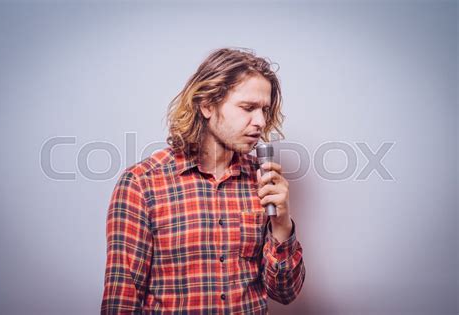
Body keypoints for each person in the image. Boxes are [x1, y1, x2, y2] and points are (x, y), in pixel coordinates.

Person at [101, 48, 306, 314]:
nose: (260, 121)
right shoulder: (142, 184)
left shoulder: (263, 182)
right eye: (248, 108)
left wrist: (281, 224)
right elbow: (122, 301)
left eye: (264, 110)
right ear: (207, 105)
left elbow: (285, 292)